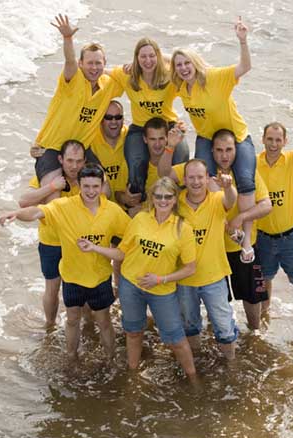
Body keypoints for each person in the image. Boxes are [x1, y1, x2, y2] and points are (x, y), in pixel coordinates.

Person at [0, 164, 130, 362]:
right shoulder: (64, 207)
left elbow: (132, 236)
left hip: (100, 277)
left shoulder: (113, 211)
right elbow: (36, 212)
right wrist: (17, 214)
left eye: (95, 186)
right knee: (72, 320)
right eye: (86, 186)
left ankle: (110, 358)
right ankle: (71, 358)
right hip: (72, 277)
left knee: (104, 321)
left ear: (102, 186)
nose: (91, 192)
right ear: (79, 184)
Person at [77, 177, 197, 379]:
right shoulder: (140, 219)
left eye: (168, 196)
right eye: (158, 196)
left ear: (175, 199)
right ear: (152, 198)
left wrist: (161, 279)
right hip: (131, 285)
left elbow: (190, 268)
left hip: (162, 290)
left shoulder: (182, 229)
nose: (163, 201)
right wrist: (94, 248)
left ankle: (193, 378)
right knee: (133, 332)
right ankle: (133, 376)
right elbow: (122, 253)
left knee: (175, 338)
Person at [170, 17, 256, 263]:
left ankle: (245, 239)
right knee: (204, 177)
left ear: (195, 63)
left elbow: (245, 67)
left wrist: (242, 40)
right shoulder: (182, 88)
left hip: (236, 137)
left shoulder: (215, 77)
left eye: (187, 63)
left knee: (246, 181)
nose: (184, 68)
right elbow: (162, 63)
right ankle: (221, 225)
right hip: (208, 138)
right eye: (179, 65)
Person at [33, 14, 122, 200]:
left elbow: (131, 74)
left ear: (105, 64)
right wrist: (68, 38)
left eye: (98, 63)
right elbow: (69, 61)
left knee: (105, 191)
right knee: (53, 194)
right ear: (81, 64)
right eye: (89, 63)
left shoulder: (109, 84)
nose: (94, 67)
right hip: (52, 147)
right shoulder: (74, 80)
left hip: (82, 149)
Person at [256, 96, 293, 324]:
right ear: (263, 139)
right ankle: (265, 317)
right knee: (265, 279)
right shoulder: (253, 163)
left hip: (290, 236)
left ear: (284, 141)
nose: (273, 143)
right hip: (262, 237)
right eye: (269, 139)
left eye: (278, 139)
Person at [109, 38, 190, 198]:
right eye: (143, 57)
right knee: (136, 162)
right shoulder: (127, 75)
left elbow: (192, 68)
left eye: (152, 56)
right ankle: (137, 204)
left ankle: (176, 201)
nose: (148, 61)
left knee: (182, 155)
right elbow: (100, 72)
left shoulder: (169, 76)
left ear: (159, 56)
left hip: (168, 125)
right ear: (136, 58)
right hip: (140, 127)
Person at [176, 159, 239, 361]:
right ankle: (197, 363)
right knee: (190, 327)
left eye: (200, 177)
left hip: (214, 277)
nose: (196, 182)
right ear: (184, 179)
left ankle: (231, 367)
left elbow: (231, 200)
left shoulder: (217, 199)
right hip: (185, 280)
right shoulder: (174, 204)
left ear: (207, 179)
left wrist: (228, 187)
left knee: (225, 329)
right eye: (191, 177)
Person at [19, 140, 86, 327]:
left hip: (78, 243)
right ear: (60, 159)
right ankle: (50, 325)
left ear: (84, 161)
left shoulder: (86, 181)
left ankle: (86, 325)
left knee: (83, 286)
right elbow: (23, 201)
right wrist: (52, 187)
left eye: (79, 161)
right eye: (70, 160)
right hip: (52, 242)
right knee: (52, 287)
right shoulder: (49, 178)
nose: (74, 166)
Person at [210, 129, 272, 330]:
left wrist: (241, 217)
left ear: (236, 150)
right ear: (211, 151)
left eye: (229, 149)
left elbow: (266, 205)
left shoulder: (247, 172)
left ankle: (255, 333)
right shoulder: (206, 176)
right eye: (219, 150)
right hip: (216, 250)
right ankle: (223, 335)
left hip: (244, 247)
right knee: (218, 301)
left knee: (252, 297)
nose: (224, 155)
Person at [115, 117, 184, 216]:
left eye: (161, 139)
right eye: (152, 139)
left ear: (167, 139)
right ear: (145, 139)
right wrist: (125, 198)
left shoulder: (177, 164)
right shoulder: (133, 164)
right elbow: (117, 194)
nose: (157, 144)